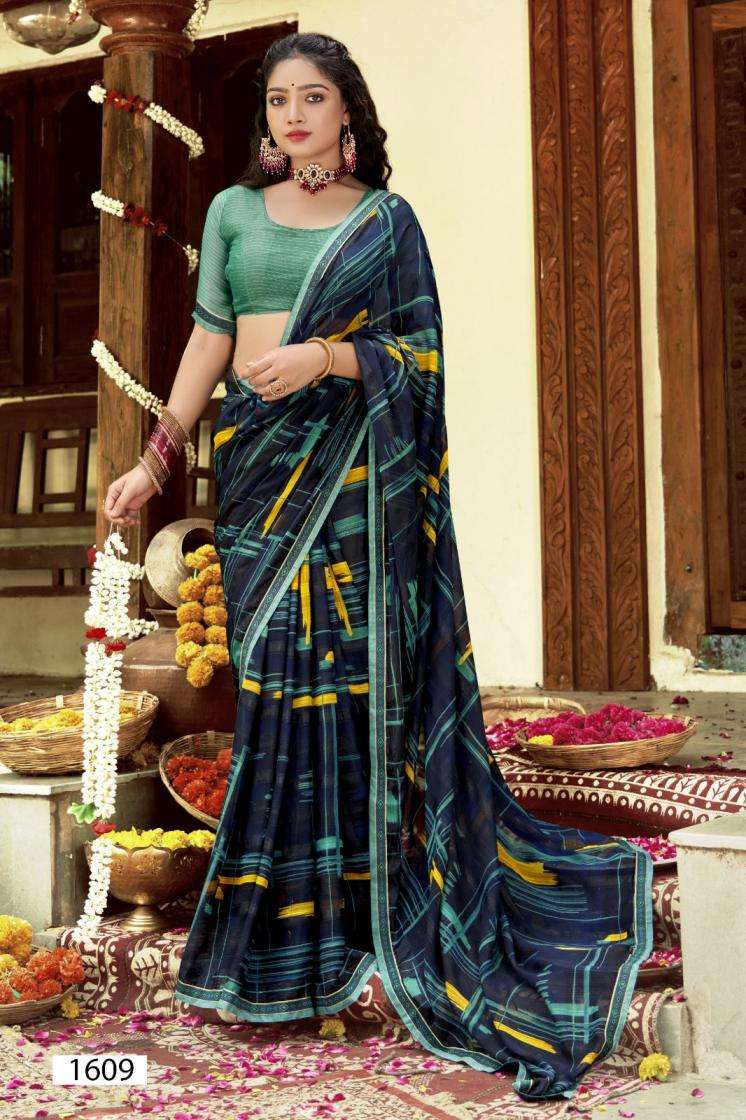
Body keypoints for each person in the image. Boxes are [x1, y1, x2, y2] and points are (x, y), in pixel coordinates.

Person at [104, 31, 653, 1103]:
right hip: (260, 476)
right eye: (278, 99)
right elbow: (208, 342)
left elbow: (421, 358)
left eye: (313, 97)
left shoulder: (384, 222)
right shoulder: (231, 212)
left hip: (355, 484)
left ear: (346, 110)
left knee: (355, 691)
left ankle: (363, 917)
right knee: (274, 688)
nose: (293, 115)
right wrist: (154, 460)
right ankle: (278, 941)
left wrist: (326, 355)